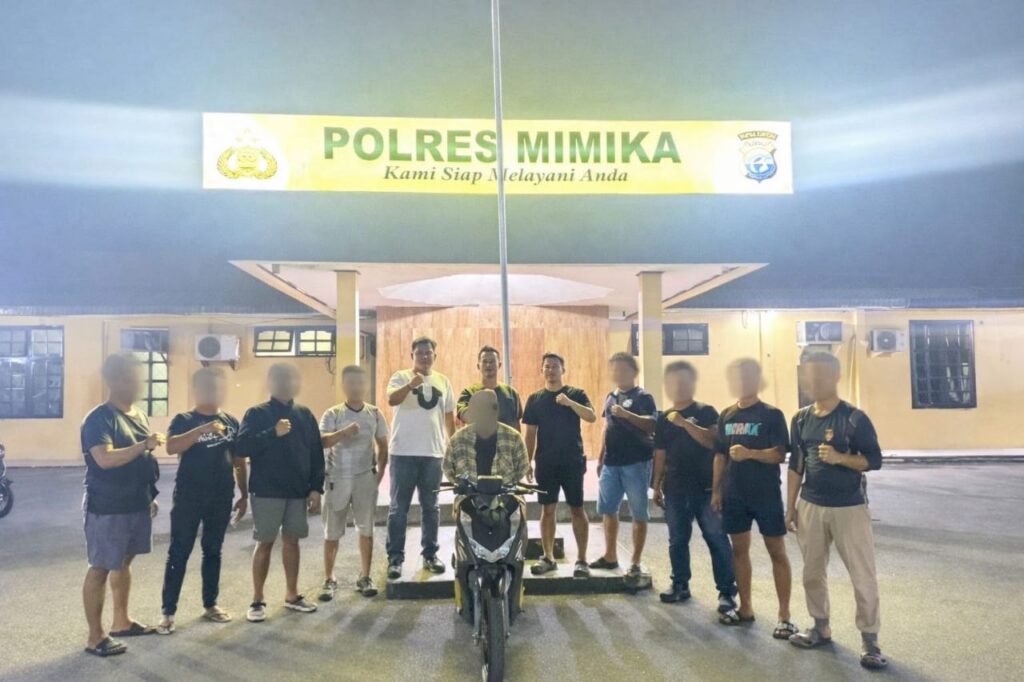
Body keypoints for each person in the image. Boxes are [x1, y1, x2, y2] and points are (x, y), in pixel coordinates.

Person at [786, 352, 887, 670]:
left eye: (820, 376)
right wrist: (790, 507)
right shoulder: (800, 419)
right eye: (809, 377)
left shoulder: (855, 419)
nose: (813, 382)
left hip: (849, 508)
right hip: (811, 505)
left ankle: (870, 640)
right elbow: (796, 465)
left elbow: (874, 460)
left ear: (835, 377)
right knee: (812, 572)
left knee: (862, 575)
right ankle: (820, 627)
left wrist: (841, 458)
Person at [80, 353, 167, 657]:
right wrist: (144, 445)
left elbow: (144, 460)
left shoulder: (139, 415)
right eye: (132, 378)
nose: (139, 384)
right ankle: (95, 637)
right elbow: (104, 459)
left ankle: (121, 622)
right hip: (107, 507)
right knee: (101, 567)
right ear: (115, 381)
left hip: (136, 503)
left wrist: (149, 497)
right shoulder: (98, 419)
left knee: (124, 563)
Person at [712, 358, 798, 639]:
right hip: (734, 495)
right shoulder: (726, 415)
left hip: (765, 494)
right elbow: (720, 456)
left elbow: (779, 454)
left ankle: (784, 616)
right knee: (739, 551)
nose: (742, 383)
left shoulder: (771, 415)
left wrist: (750, 454)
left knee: (776, 552)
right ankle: (746, 608)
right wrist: (716, 490)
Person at [157, 368, 247, 634]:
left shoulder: (231, 421)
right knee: (179, 551)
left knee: (213, 550)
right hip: (189, 497)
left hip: (221, 496)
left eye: (217, 387)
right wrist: (202, 430)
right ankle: (168, 612)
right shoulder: (184, 420)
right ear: (196, 390)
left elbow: (239, 460)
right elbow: (171, 447)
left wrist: (244, 494)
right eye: (208, 387)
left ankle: (210, 604)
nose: (214, 392)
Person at [237, 363, 325, 622]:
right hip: (266, 491)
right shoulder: (256, 413)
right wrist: (272, 433)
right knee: (264, 543)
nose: (287, 383)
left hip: (297, 491)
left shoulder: (304, 414)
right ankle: (257, 600)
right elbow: (242, 447)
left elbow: (315, 453)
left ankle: (292, 595)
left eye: (291, 378)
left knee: (292, 542)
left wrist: (315, 488)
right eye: (281, 378)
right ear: (271, 383)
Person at [652, 361, 738, 615]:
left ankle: (726, 592)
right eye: (674, 381)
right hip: (675, 489)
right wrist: (656, 485)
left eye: (684, 381)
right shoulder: (663, 418)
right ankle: (680, 584)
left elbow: (713, 441)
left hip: (705, 489)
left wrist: (685, 423)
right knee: (677, 539)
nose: (679, 385)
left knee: (716, 539)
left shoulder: (706, 411)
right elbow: (660, 452)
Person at [385, 336, 456, 579]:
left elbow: (449, 417)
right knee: (398, 508)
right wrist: (410, 385)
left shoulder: (443, 381)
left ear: (435, 356)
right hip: (403, 453)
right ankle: (395, 559)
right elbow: (391, 400)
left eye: (428, 353)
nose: (424, 357)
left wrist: (452, 447)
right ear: (412, 356)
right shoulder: (400, 377)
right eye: (420, 353)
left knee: (431, 507)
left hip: (433, 454)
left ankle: (430, 555)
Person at [318, 365, 389, 601]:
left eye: (360, 383)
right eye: (351, 383)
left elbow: (383, 445)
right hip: (337, 478)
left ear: (365, 385)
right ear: (344, 385)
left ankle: (365, 576)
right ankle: (329, 578)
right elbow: (322, 442)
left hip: (364, 478)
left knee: (366, 529)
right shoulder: (333, 413)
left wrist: (378, 475)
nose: (356, 387)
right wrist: (344, 433)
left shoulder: (374, 413)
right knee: (332, 532)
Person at [523, 352, 597, 578]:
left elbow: (591, 417)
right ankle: (548, 557)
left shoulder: (576, 394)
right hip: (546, 463)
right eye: (547, 366)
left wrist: (570, 403)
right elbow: (530, 434)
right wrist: (527, 462)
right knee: (547, 510)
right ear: (541, 370)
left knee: (577, 509)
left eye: (555, 366)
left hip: (572, 461)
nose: (551, 370)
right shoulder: (535, 399)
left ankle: (582, 560)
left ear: (563, 370)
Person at [591, 352, 657, 580]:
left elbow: (652, 425)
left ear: (633, 372)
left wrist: (628, 415)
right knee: (608, 509)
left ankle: (635, 562)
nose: (618, 373)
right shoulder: (610, 397)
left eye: (623, 369)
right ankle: (610, 556)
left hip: (636, 463)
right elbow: (606, 427)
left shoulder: (643, 397)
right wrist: (601, 457)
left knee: (639, 513)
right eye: (614, 369)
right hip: (611, 463)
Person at [444, 389, 529, 485]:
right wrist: (462, 486)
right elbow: (448, 468)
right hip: (468, 493)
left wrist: (507, 486)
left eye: (490, 408)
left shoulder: (514, 438)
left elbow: (523, 467)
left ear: (497, 410)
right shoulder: (458, 440)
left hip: (504, 493)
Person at [457, 345, 522, 430]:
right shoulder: (469, 393)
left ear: (499, 365)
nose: (488, 365)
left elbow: (516, 425)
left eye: (492, 361)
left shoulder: (511, 393)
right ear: (478, 366)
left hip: (507, 439)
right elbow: (464, 415)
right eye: (484, 361)